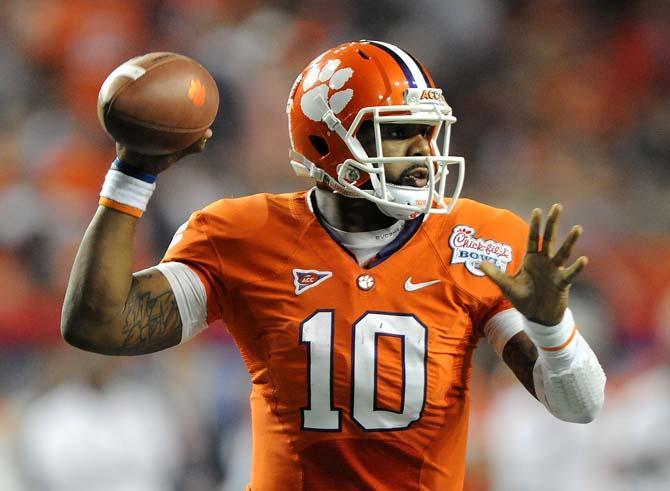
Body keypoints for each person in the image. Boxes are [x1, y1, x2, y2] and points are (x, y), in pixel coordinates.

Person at [61, 40, 606, 490]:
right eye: (398, 131)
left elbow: (580, 407)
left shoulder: (478, 240)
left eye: (428, 130)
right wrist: (132, 175)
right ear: (329, 140)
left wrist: (552, 327)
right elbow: (98, 324)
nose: (425, 151)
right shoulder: (244, 235)